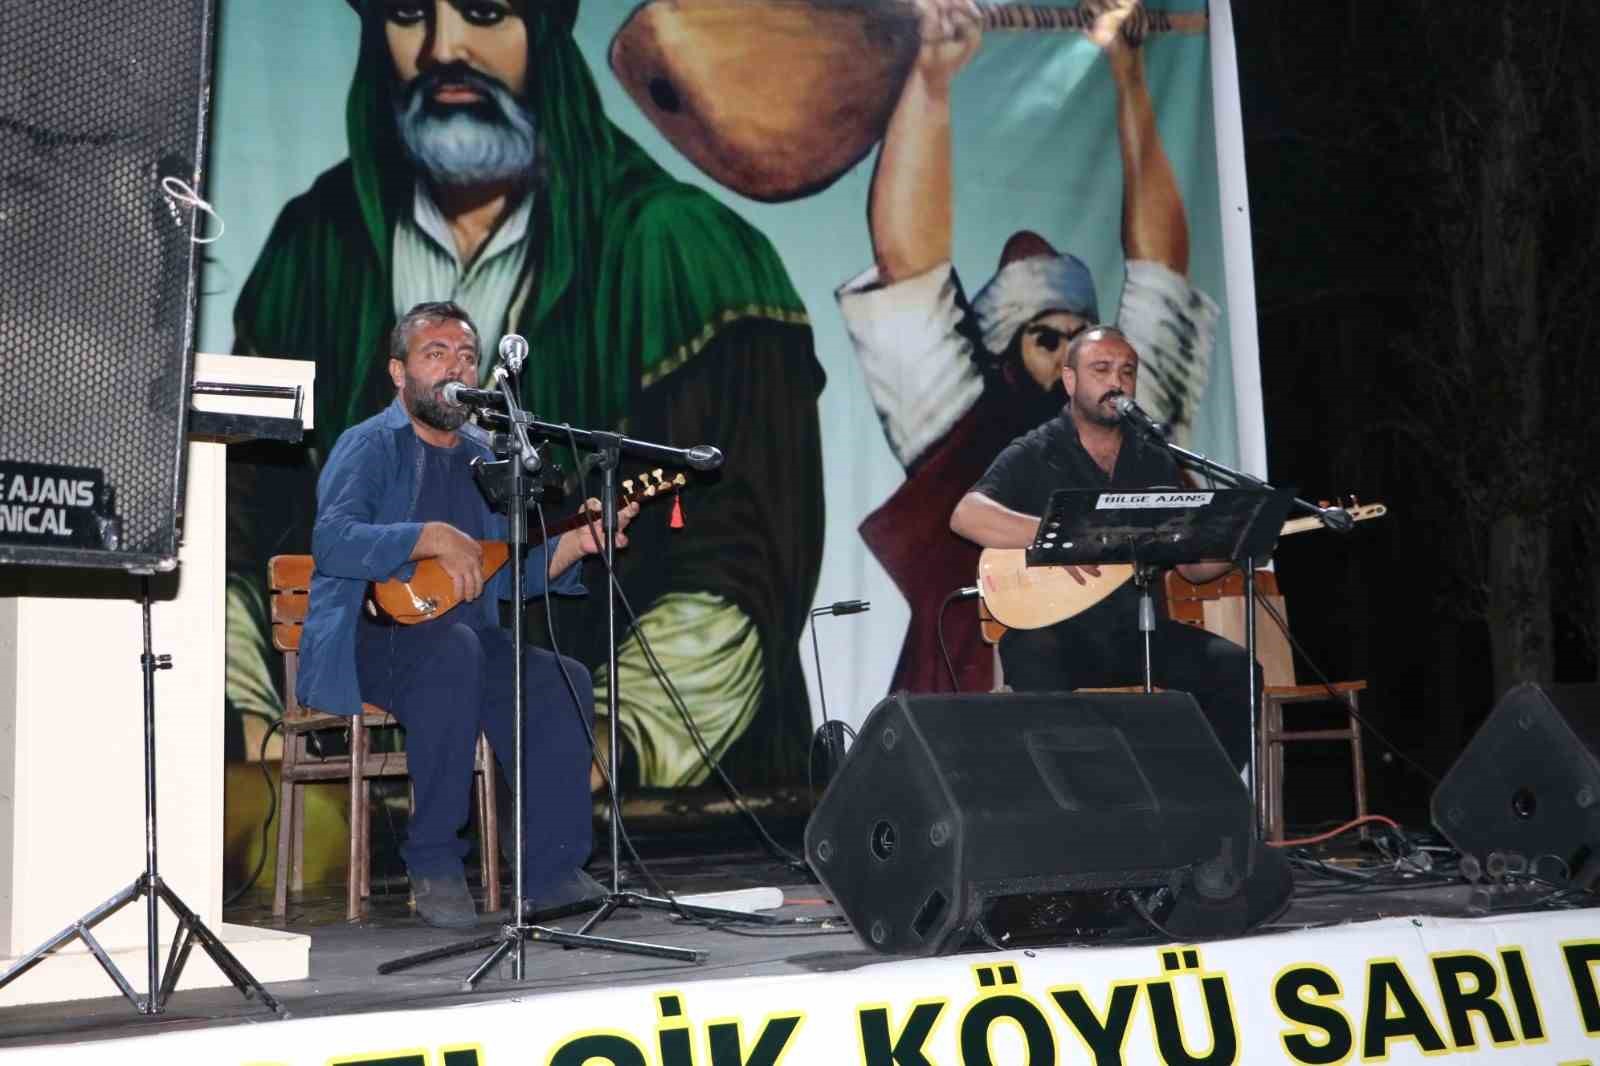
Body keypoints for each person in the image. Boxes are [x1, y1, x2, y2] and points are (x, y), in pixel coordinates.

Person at [227, 0, 825, 791]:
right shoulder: (313, 248)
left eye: (483, 11)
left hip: (626, 775)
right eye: (408, 12)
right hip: (364, 724)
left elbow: (741, 559)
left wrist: (608, 742)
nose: (443, 48)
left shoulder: (685, 252)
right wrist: (250, 720)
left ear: (542, 32)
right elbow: (241, 518)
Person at [834, 0, 1219, 693]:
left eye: (1089, 344)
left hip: (1130, 640)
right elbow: (909, 264)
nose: (1087, 366)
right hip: (1000, 657)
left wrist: (1130, 75)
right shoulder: (968, 419)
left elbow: (1160, 269)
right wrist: (930, 83)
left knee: (1224, 672)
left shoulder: (1144, 436)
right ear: (1011, 354)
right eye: (1050, 342)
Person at [301, 301, 637, 928]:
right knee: (456, 651)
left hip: (464, 642)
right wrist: (425, 536)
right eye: (436, 354)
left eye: (466, 357)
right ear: (399, 372)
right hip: (371, 641)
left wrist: (573, 546)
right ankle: (433, 861)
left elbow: (503, 575)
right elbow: (332, 541)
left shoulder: (487, 456)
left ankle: (552, 871)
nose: (455, 368)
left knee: (561, 678)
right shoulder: (369, 445)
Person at [950, 326, 1254, 768]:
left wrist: (1237, 541)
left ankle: (1200, 796)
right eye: (1102, 369)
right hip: (1056, 631)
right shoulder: (1038, 450)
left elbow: (1192, 568)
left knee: (1238, 671)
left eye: (1127, 371)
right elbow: (966, 515)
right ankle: (1072, 801)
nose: (1117, 381)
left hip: (1138, 633)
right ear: (1070, 380)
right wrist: (1059, 536)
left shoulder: (1153, 457)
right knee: (1032, 655)